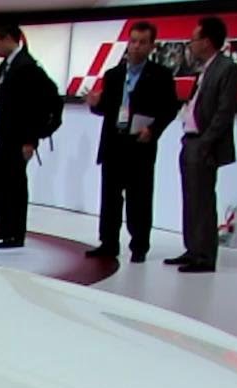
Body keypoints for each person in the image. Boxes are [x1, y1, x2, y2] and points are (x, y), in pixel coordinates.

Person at [84, 22, 178, 263]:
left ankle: (139, 246)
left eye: (142, 42)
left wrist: (153, 130)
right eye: (133, 41)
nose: (136, 47)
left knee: (139, 199)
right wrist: (95, 104)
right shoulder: (113, 75)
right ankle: (108, 243)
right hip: (114, 143)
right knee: (110, 198)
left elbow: (169, 109)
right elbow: (107, 109)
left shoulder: (161, 75)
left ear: (151, 46)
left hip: (140, 144)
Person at [167, 16, 237, 273]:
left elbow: (224, 112)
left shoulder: (226, 68)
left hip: (204, 144)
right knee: (190, 198)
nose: (191, 44)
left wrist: (206, 142)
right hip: (190, 140)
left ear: (207, 41)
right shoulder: (204, 69)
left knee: (203, 200)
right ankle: (192, 249)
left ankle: (205, 256)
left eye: (194, 39)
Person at [0, 24, 59, 249]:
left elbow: (41, 104)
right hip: (4, 134)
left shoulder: (27, 67)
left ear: (8, 39)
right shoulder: (6, 67)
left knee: (15, 185)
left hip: (19, 137)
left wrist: (32, 139)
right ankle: (3, 227)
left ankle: (16, 232)